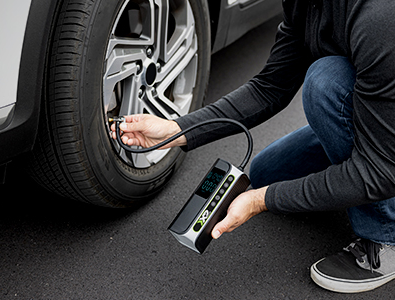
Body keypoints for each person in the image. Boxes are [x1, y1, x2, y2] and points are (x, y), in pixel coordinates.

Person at [111, 1, 395, 293]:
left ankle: (385, 237)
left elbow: (381, 172)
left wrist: (262, 201)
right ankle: (351, 145)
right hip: (377, 110)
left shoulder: (379, 17)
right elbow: (270, 87)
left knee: (325, 81)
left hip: (387, 152)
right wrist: (177, 129)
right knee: (266, 173)